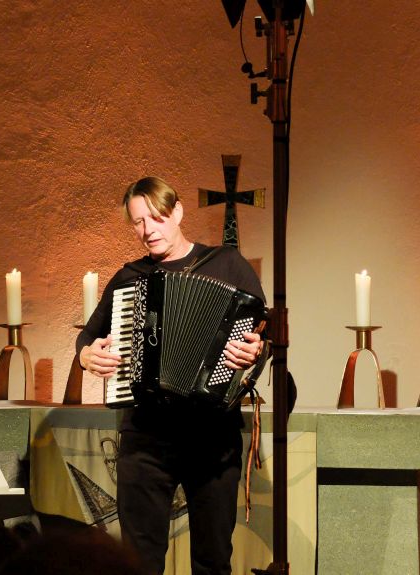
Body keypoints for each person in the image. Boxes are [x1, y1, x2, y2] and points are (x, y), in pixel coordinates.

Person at [77, 176, 266, 575]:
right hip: (146, 438)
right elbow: (88, 338)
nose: (147, 230)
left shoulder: (228, 264)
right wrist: (86, 357)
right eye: (138, 222)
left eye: (156, 218)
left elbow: (259, 335)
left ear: (177, 212)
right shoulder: (130, 277)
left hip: (212, 438)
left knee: (212, 561)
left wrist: (255, 350)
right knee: (140, 563)